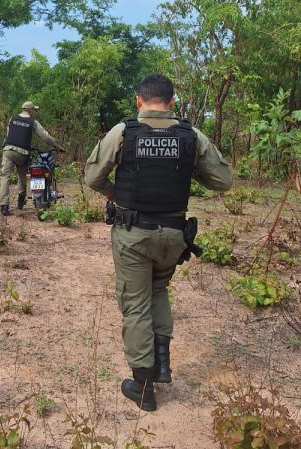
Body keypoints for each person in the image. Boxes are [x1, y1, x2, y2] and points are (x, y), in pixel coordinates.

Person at [84, 74, 233, 411]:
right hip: (173, 236)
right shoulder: (190, 136)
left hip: (132, 235)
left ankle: (144, 387)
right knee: (159, 291)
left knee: (136, 304)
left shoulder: (123, 132)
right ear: (173, 101)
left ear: (139, 100)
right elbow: (224, 181)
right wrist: (188, 168)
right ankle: (162, 365)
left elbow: (92, 176)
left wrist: (112, 192)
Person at [0, 101, 63, 216]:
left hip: (8, 151)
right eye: (34, 109)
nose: (34, 112)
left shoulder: (12, 118)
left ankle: (4, 206)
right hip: (23, 153)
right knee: (22, 175)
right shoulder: (33, 122)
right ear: (29, 110)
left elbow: (8, 134)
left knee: (5, 177)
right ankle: (21, 198)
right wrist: (57, 146)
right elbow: (45, 136)